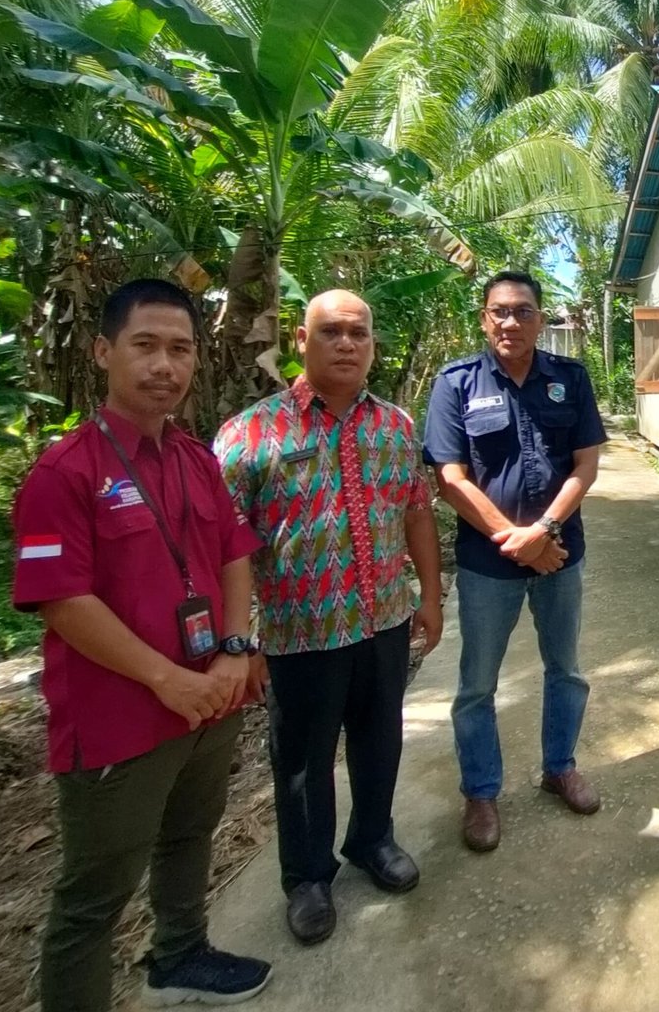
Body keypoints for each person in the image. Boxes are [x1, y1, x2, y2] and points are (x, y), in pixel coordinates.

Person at [11, 279, 271, 1011]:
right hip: (121, 719)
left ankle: (180, 953)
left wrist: (236, 647)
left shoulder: (194, 458)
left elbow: (232, 551)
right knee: (94, 894)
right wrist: (167, 679)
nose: (165, 365)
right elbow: (63, 601)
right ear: (103, 351)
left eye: (180, 349)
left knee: (191, 834)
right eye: (145, 346)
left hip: (211, 696)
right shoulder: (65, 472)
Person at [214, 290, 444, 946]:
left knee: (380, 740)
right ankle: (308, 877)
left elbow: (416, 510)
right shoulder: (251, 433)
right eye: (331, 332)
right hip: (299, 632)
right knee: (302, 760)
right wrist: (240, 640)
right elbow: (222, 544)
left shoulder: (396, 426)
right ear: (300, 339)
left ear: (373, 344)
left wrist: (429, 596)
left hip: (383, 622)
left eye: (359, 333)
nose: (347, 343)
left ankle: (373, 840)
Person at [423, 269, 607, 851]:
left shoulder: (569, 380)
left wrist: (545, 530)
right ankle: (481, 792)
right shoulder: (456, 384)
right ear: (484, 318)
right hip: (487, 563)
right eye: (500, 311)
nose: (511, 321)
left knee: (566, 669)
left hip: (560, 555)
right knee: (477, 683)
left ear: (540, 318)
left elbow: (585, 466)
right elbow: (449, 478)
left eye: (523, 311)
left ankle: (560, 767)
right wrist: (516, 539)